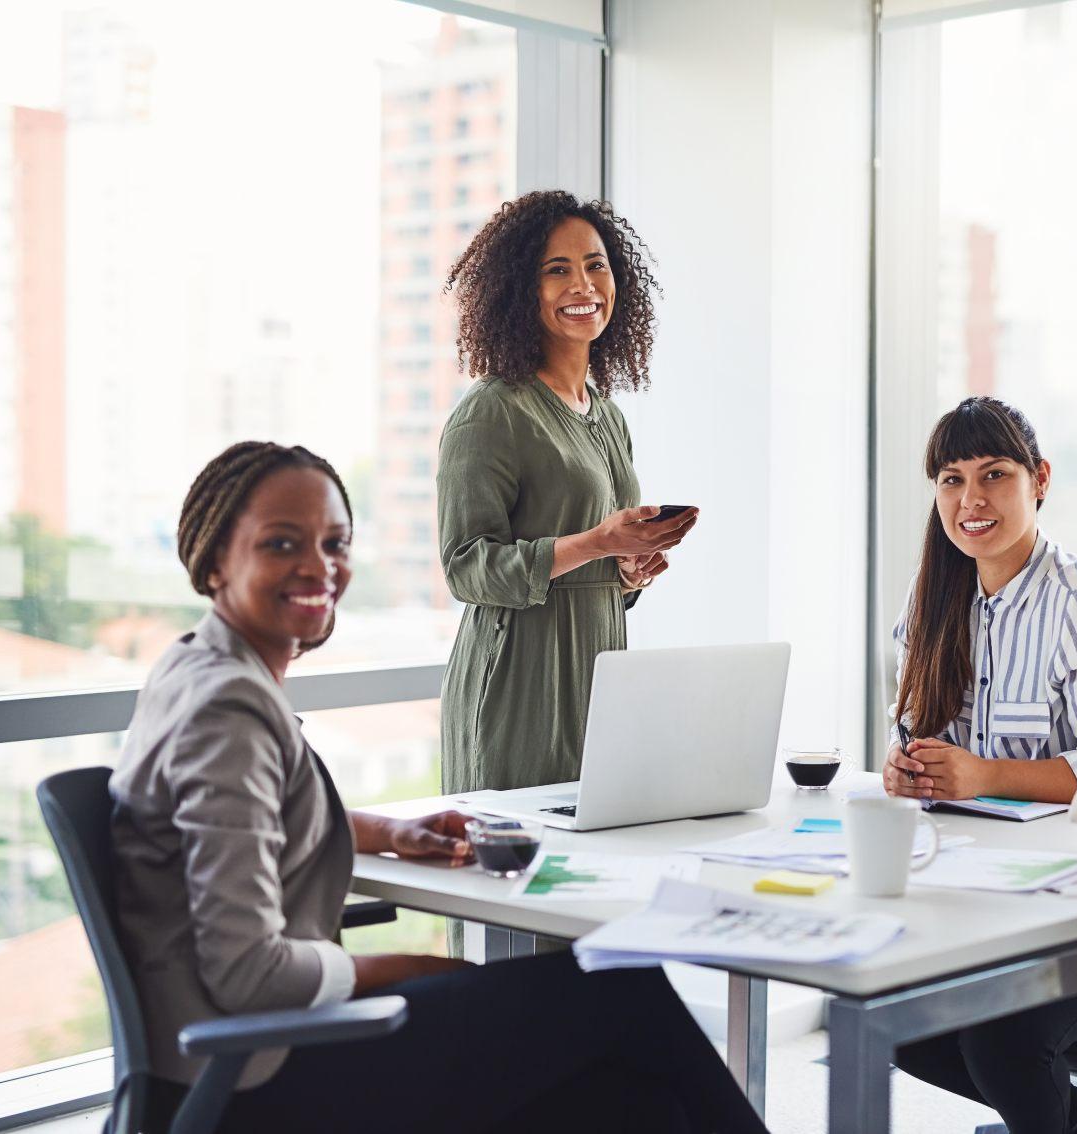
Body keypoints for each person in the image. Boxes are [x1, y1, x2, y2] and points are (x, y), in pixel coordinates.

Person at [110, 441, 765, 1134]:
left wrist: (389, 834)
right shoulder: (228, 712)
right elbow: (251, 976)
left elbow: (257, 812)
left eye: (336, 543)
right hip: (261, 1082)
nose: (319, 566)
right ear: (214, 560)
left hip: (229, 1065)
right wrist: (422, 970)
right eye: (281, 543)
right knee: (621, 988)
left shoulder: (198, 668)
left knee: (630, 1103)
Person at [883, 397, 1077, 1133]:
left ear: (1039, 479)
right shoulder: (935, 594)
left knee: (999, 1038)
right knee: (897, 1018)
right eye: (951, 480)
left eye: (994, 475)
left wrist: (983, 774)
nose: (970, 500)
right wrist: (909, 767)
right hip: (978, 889)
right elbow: (919, 729)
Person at [437, 189, 697, 796]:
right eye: (557, 270)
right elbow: (466, 568)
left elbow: (589, 559)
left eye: (595, 265)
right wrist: (595, 542)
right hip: (519, 684)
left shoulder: (606, 415)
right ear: (520, 290)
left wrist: (627, 567)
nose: (583, 285)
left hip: (598, 673)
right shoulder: (491, 413)